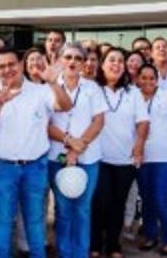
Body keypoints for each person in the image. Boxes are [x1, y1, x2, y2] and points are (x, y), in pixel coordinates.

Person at [0, 48, 73, 258]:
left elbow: (65, 106)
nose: (7, 70)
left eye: (11, 64)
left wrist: (53, 83)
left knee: (35, 221)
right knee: (3, 221)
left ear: (21, 64)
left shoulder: (40, 91)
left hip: (35, 168)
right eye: (2, 66)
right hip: (1, 168)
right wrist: (0, 103)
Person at [47, 43, 104, 258]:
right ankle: (65, 252)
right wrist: (69, 141)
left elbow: (99, 121)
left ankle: (80, 253)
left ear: (84, 63)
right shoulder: (49, 87)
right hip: (57, 156)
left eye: (78, 58)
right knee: (63, 210)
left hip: (88, 157)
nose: (72, 62)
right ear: (60, 60)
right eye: (68, 57)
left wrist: (78, 149)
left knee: (82, 209)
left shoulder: (92, 88)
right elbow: (45, 124)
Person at [92, 48, 148, 256]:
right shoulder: (92, 90)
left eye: (120, 61)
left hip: (126, 158)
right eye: (111, 60)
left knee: (118, 204)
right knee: (101, 202)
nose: (116, 64)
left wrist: (140, 144)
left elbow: (143, 122)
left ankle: (113, 245)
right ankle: (95, 244)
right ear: (102, 64)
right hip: (98, 157)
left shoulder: (133, 92)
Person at [134, 64, 167, 254]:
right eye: (144, 77)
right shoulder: (132, 96)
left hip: (164, 155)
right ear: (138, 79)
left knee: (160, 198)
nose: (148, 81)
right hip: (140, 155)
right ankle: (150, 236)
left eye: (151, 78)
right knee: (146, 198)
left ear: (157, 80)